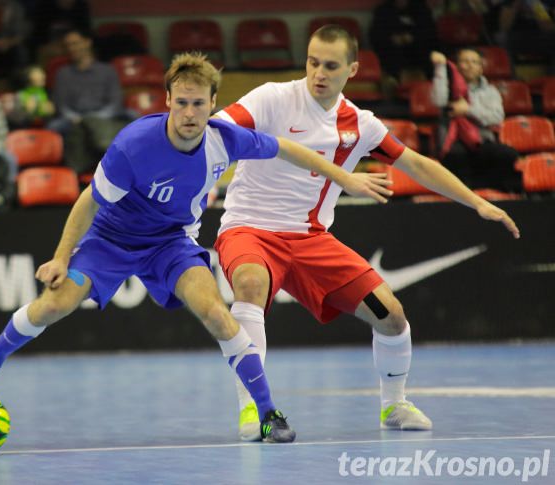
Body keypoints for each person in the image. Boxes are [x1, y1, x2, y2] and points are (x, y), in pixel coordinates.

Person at [0, 52, 394, 443]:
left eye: (199, 103)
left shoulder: (225, 137)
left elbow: (288, 149)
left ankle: (268, 411)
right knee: (53, 306)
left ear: (213, 104)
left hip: (171, 244)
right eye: (182, 103)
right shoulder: (134, 144)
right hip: (111, 241)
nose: (190, 113)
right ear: (168, 102)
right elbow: (88, 201)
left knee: (217, 312)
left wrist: (344, 177)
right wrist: (61, 257)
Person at [214, 25, 520, 442]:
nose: (318, 72)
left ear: (353, 69)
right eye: (312, 61)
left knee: (391, 316)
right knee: (249, 283)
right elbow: (217, 129)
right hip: (249, 227)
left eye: (331, 65)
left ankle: (394, 405)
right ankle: (252, 406)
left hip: (310, 238)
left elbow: (417, 164)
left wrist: (477, 202)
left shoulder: (359, 124)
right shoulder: (272, 98)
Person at [430, 48, 522, 191]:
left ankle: (492, 192)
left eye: (474, 62)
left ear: (480, 68)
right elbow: (438, 101)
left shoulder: (490, 91)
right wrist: (440, 67)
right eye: (465, 61)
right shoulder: (447, 87)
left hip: (482, 140)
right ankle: (463, 194)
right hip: (453, 140)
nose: (470, 65)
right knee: (457, 155)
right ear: (457, 66)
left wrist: (468, 110)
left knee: (508, 154)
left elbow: (497, 117)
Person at [47, 27, 127, 175]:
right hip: (75, 119)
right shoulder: (63, 73)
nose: (72, 48)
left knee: (135, 117)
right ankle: (70, 172)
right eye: (68, 45)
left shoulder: (107, 70)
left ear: (87, 42)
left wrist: (95, 118)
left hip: (103, 116)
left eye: (75, 43)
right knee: (53, 126)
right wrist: (75, 118)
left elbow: (115, 103)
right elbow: (62, 105)